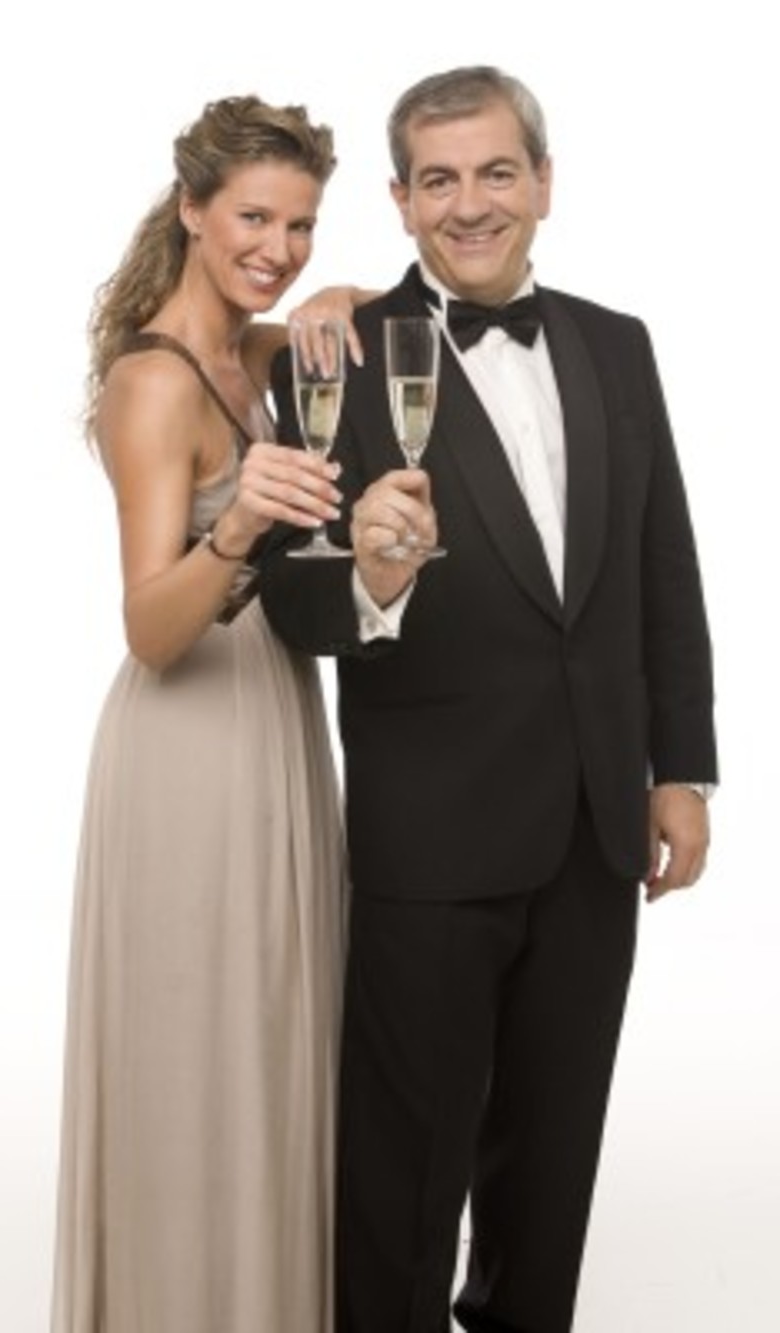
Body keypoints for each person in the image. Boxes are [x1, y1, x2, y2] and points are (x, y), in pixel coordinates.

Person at [260, 66, 718, 1333]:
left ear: (543, 184)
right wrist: (372, 573)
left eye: (497, 172)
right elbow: (288, 600)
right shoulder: (335, 355)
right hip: (430, 834)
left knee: (550, 1161)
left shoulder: (617, 345)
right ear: (400, 202)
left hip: (592, 824)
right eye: (440, 180)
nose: (470, 204)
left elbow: (660, 565)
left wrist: (679, 768)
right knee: (401, 1175)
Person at [51, 93, 371, 1333]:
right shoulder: (152, 381)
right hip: (187, 751)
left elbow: (361, 324)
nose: (277, 248)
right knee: (194, 1057)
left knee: (271, 1046)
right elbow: (149, 624)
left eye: (300, 225)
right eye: (252, 218)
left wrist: (333, 299)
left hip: (274, 719)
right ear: (190, 209)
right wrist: (238, 524)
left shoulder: (259, 351)